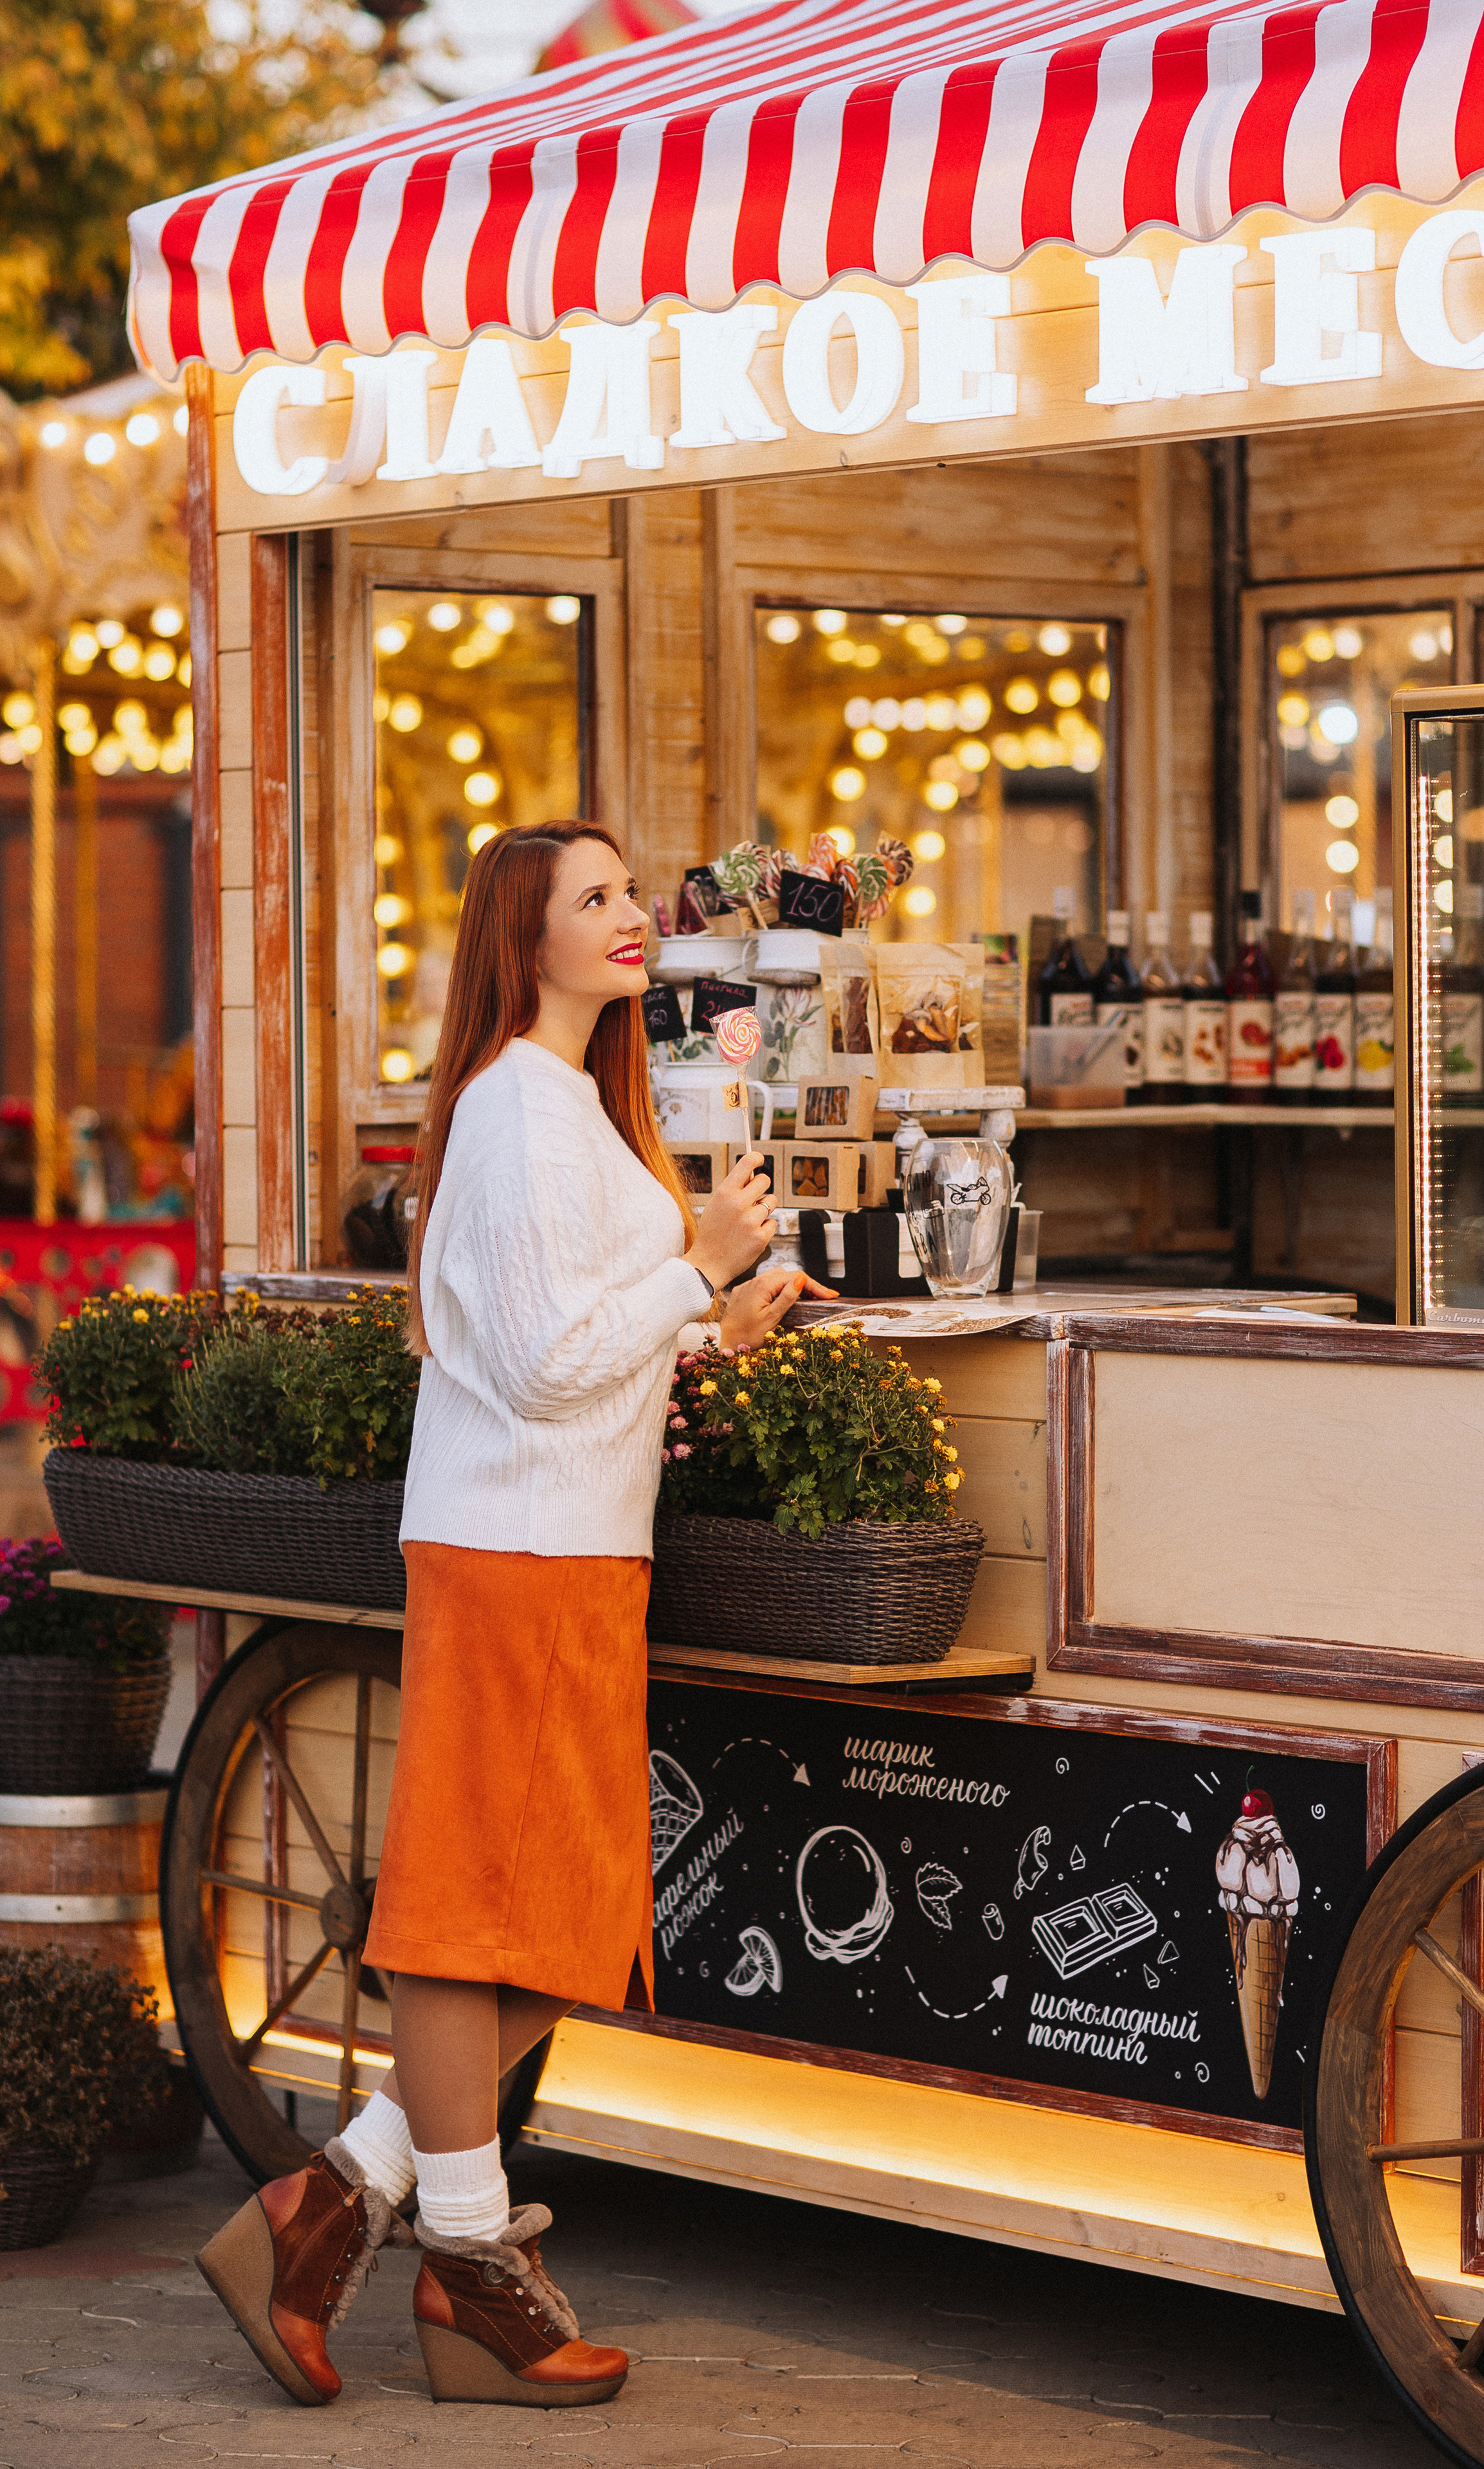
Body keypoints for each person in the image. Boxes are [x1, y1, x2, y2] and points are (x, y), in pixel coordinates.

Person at [196, 823, 830, 2410]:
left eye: (631, 896)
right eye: (597, 901)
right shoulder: (512, 1114)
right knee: (488, 1915)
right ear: (520, 939)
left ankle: (336, 2203)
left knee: (558, 1910)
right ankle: (468, 2269)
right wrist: (698, 1265)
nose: (634, 920)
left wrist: (717, 1323)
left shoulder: (575, 1113)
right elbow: (546, 1365)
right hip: (513, 1554)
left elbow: (576, 1357)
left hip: (566, 1549)